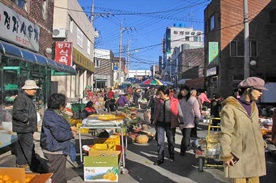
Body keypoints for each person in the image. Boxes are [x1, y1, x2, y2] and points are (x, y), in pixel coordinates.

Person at [220, 77, 267, 183]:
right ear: (248, 90)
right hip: (239, 156)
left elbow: (255, 127)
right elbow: (226, 133)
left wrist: (261, 142)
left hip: (254, 156)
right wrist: (226, 154)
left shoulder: (254, 106)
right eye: (258, 90)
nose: (260, 93)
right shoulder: (230, 108)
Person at [40, 93, 77, 183]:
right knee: (58, 176)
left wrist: (69, 128)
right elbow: (59, 135)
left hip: (55, 148)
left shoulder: (53, 114)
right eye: (64, 104)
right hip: (55, 149)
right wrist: (71, 133)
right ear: (60, 105)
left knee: (57, 174)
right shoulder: (52, 117)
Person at [12, 80, 40, 171]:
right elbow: (17, 113)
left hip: (25, 127)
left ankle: (21, 164)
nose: (35, 91)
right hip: (24, 127)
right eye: (33, 89)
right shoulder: (21, 98)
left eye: (35, 89)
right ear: (27, 89)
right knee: (29, 147)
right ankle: (35, 167)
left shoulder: (27, 98)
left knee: (21, 147)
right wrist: (27, 120)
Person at [153, 86, 184, 165]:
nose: (159, 95)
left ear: (166, 94)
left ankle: (171, 153)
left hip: (170, 123)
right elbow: (156, 112)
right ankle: (160, 158)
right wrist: (153, 120)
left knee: (171, 140)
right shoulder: (158, 102)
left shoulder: (175, 101)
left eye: (160, 93)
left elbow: (179, 112)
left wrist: (181, 122)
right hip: (160, 123)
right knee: (160, 141)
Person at [178, 85, 201, 156]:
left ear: (188, 91)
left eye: (184, 90)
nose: (182, 92)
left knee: (186, 136)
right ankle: (184, 148)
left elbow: (196, 109)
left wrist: (198, 117)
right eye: (181, 90)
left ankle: (183, 150)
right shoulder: (180, 100)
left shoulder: (193, 99)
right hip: (181, 120)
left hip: (190, 121)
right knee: (185, 135)